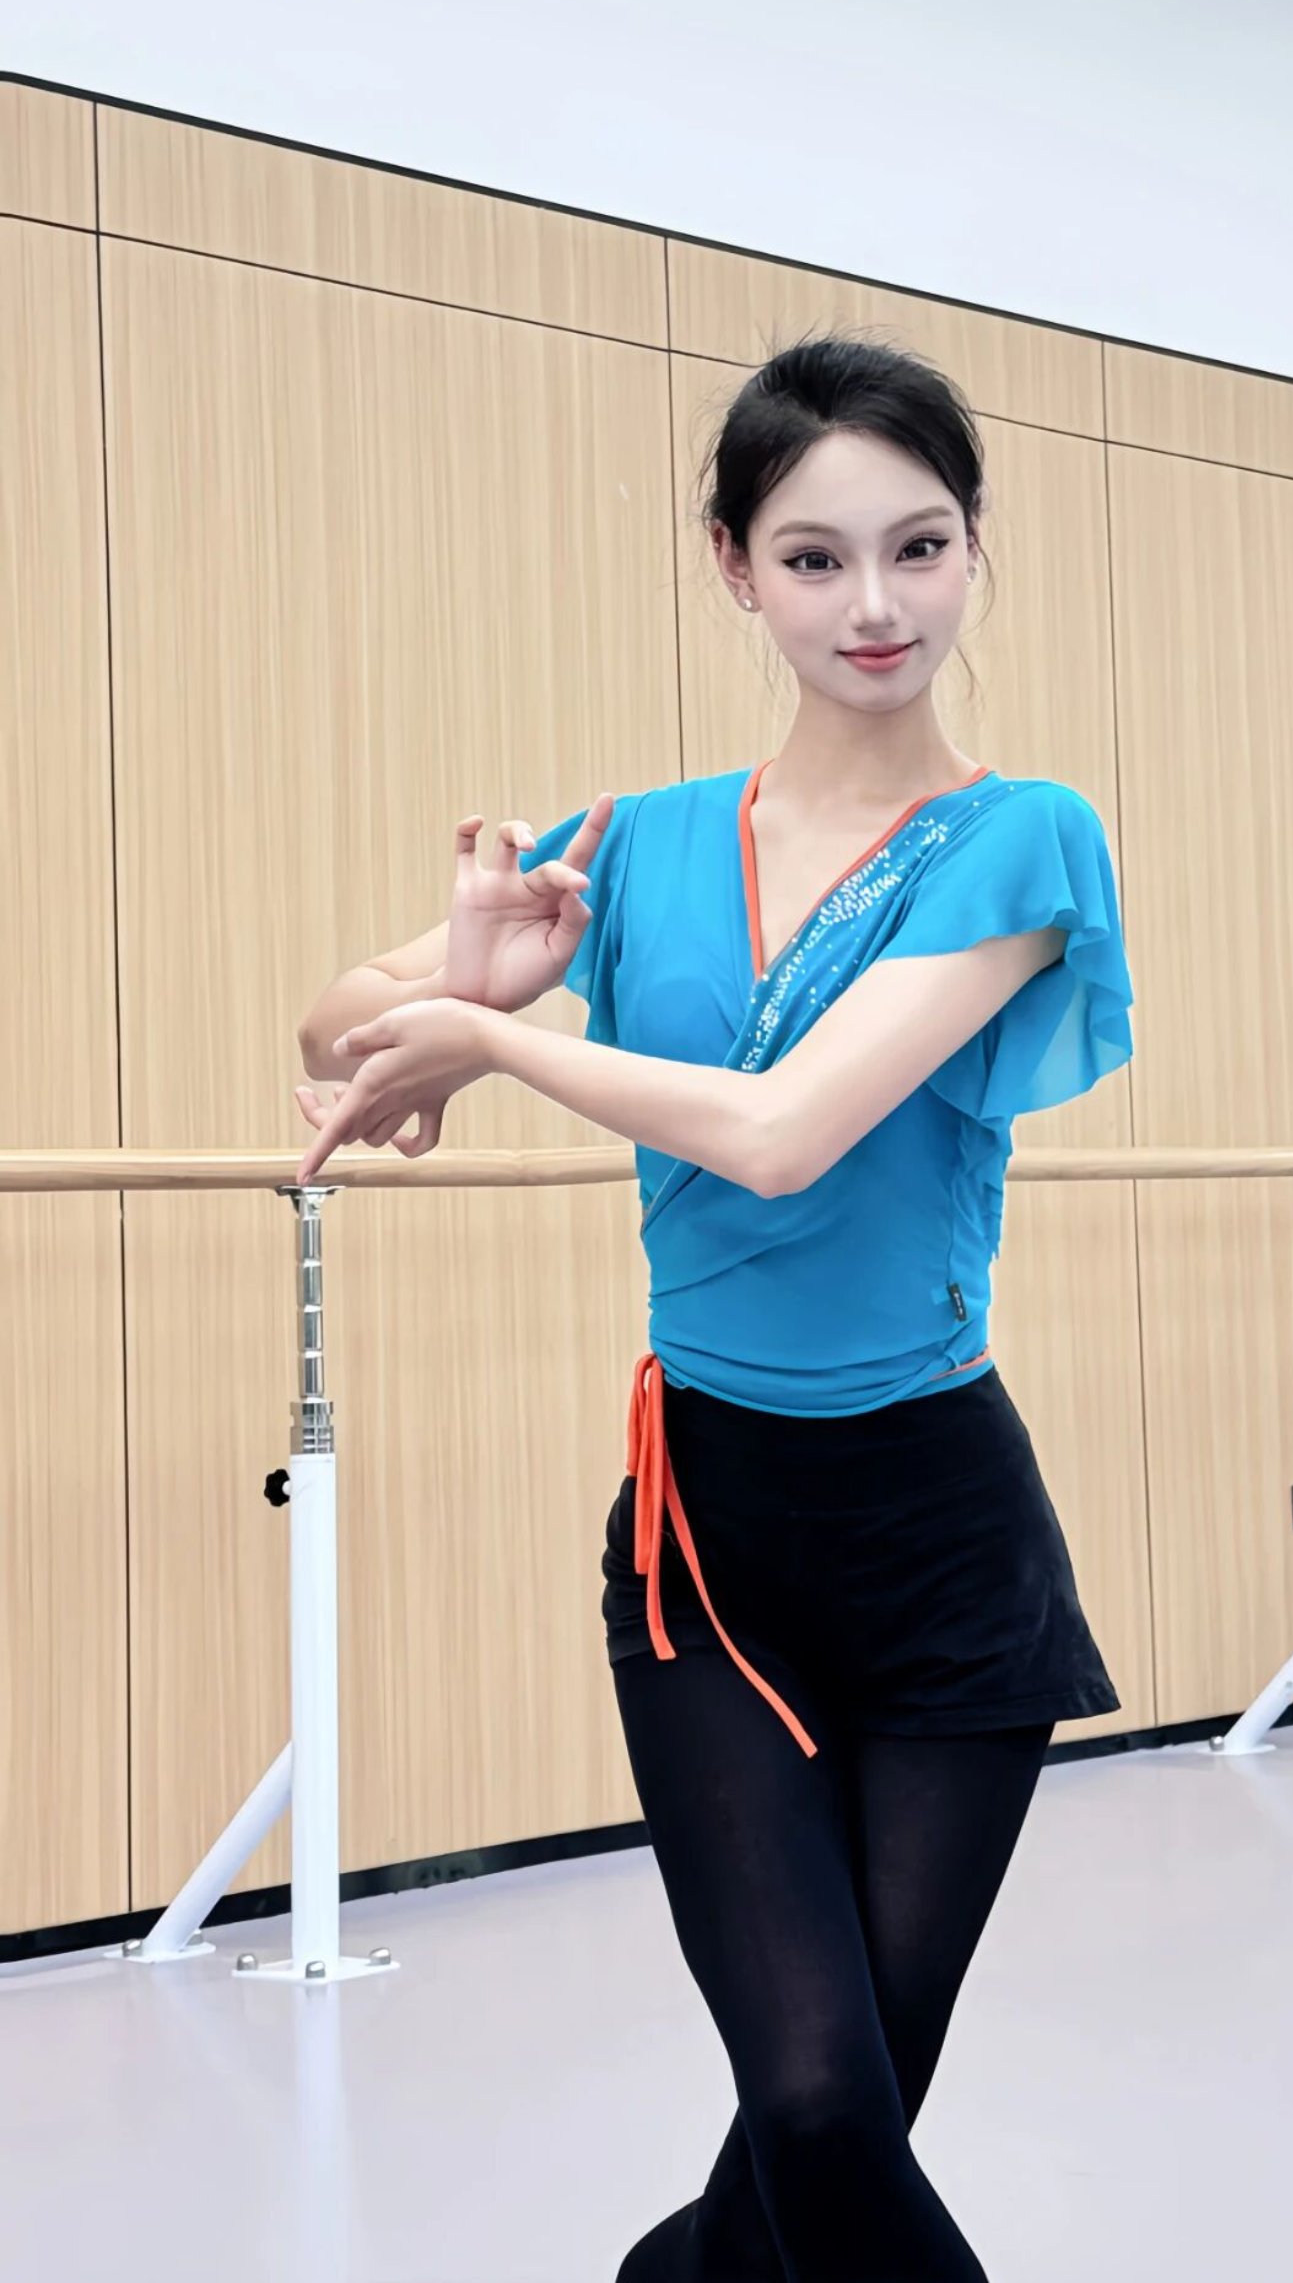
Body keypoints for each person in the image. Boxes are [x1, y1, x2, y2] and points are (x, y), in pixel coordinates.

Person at [295, 335, 1134, 2282]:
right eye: (816, 557)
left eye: (919, 547)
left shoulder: (1023, 837)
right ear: (735, 568)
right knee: (819, 2108)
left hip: (944, 1547)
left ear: (974, 546)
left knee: (828, 2128)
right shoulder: (642, 842)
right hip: (704, 1544)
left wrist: (502, 1048)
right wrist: (473, 983)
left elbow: (784, 1133)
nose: (875, 603)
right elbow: (333, 1028)